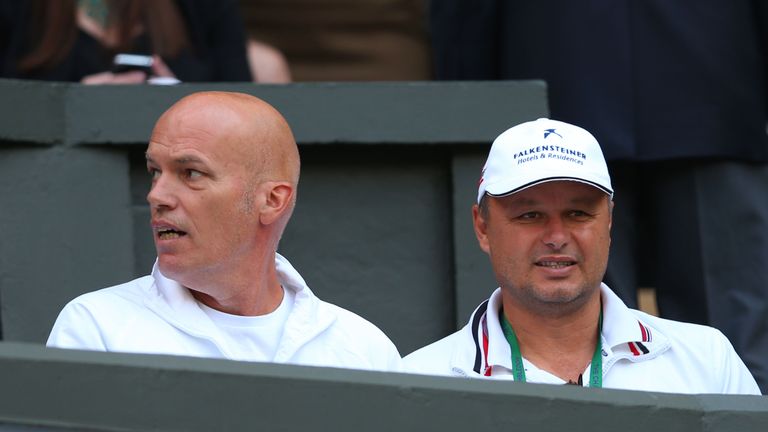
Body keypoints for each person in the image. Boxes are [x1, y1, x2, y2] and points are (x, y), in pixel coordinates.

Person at [428, 0, 768, 394]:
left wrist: (470, 96)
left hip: (563, 63)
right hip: (712, 73)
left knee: (727, 361)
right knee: (571, 315)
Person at [47, 91, 402, 372]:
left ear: (272, 201)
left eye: (191, 173)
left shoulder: (362, 348)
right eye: (155, 171)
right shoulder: (99, 328)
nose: (156, 195)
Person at [404, 118, 760, 394]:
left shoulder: (707, 360)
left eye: (578, 214)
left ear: (608, 221)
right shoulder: (416, 380)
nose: (557, 237)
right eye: (530, 215)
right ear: (482, 227)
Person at [0, 0, 252, 83]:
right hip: (47, 173)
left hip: (181, 165)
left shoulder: (200, 8)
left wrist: (176, 103)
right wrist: (68, 108)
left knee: (267, 62)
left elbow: (244, 104)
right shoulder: (17, 9)